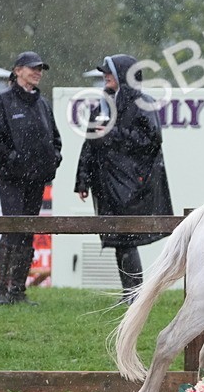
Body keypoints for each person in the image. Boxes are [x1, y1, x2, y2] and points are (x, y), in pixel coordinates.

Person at [74, 54, 173, 303]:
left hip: (131, 184)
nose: (105, 76)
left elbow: (151, 141)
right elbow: (90, 143)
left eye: (110, 72)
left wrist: (113, 132)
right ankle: (131, 292)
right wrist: (82, 180)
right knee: (118, 238)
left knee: (125, 237)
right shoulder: (102, 104)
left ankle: (134, 292)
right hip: (105, 184)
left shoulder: (143, 103)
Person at [0, 50, 62, 305]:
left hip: (36, 180)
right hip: (11, 179)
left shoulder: (42, 104)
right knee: (12, 228)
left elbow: (55, 139)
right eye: (33, 68)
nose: (38, 72)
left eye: (40, 69)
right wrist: (15, 161)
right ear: (17, 71)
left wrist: (53, 160)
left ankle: (17, 291)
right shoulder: (1, 101)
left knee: (28, 232)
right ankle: (0, 291)